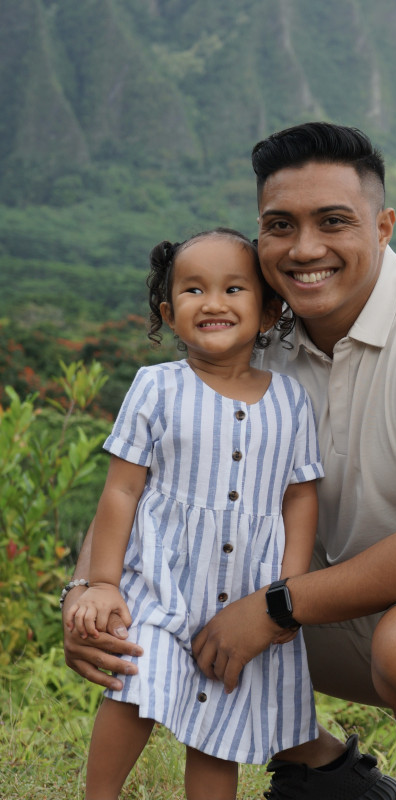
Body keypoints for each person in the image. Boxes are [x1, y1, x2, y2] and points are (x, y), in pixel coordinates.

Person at [63, 124, 396, 800]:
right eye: (280, 225)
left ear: (384, 226)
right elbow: (150, 482)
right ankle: (324, 769)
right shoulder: (257, 339)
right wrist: (86, 594)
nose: (305, 248)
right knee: (185, 582)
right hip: (335, 588)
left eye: (334, 222)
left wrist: (275, 605)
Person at [63, 227, 324, 800]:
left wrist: (290, 587)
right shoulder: (156, 388)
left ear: (268, 310)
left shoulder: (291, 401)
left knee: (219, 725)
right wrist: (102, 584)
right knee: (135, 681)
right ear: (168, 310)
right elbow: (121, 493)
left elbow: (300, 495)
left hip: (247, 592)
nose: (212, 303)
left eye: (234, 289)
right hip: (161, 583)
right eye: (193, 290)